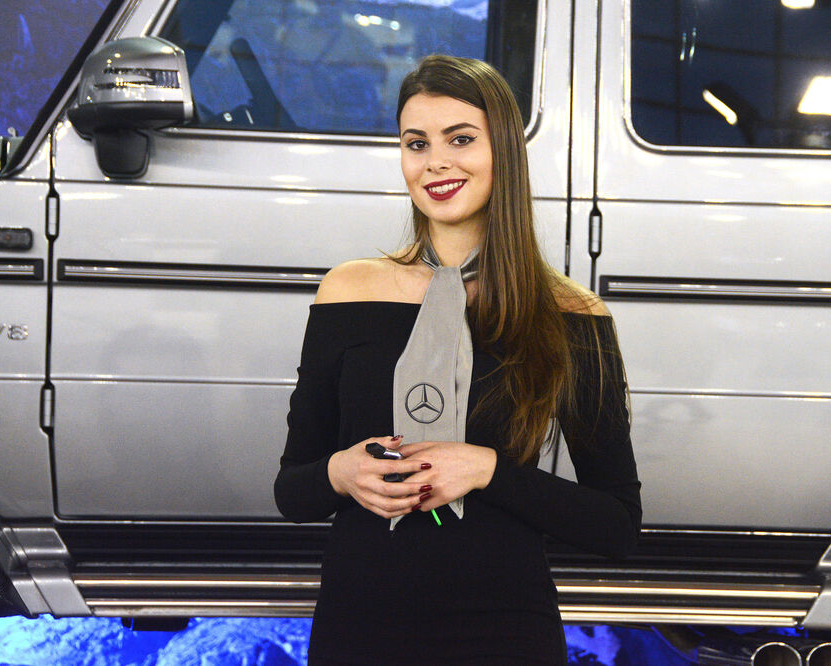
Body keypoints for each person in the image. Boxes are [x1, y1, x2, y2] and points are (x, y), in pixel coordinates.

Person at [274, 54, 642, 665]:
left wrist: (488, 469)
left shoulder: (571, 315)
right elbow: (293, 491)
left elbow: (617, 525)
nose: (435, 162)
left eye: (461, 139)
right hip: (361, 624)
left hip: (505, 629)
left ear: (505, 153)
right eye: (416, 143)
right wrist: (341, 472)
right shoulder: (347, 291)